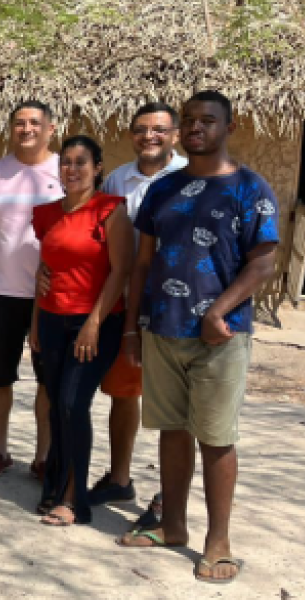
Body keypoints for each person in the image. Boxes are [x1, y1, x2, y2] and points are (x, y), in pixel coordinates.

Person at [118, 91, 279, 585]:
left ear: (229, 127)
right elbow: (143, 263)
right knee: (171, 430)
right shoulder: (163, 190)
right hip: (163, 328)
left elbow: (265, 261)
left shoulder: (250, 189)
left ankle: (219, 540)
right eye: (188, 121)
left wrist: (219, 311)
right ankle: (172, 525)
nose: (194, 128)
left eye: (206, 121)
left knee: (215, 437)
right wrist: (131, 326)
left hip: (221, 337)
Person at [88, 102, 187, 510]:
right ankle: (120, 478)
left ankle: (169, 495)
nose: (150, 137)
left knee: (174, 404)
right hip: (128, 305)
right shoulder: (116, 180)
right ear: (130, 135)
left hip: (175, 308)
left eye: (159, 130)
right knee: (123, 394)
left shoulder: (189, 178)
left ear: (175, 135)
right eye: (141, 130)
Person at [30, 136, 133, 526]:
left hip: (96, 323)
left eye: (80, 162)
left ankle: (75, 499)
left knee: (74, 404)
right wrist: (36, 323)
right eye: (66, 162)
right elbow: (44, 271)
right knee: (57, 406)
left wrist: (93, 322)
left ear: (98, 168)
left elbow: (120, 271)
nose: (71, 170)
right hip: (53, 321)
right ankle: (55, 487)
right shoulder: (46, 214)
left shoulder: (110, 210)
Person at [0, 100, 62, 479]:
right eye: (18, 123)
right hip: (0, 292)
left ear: (51, 128)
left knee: (48, 379)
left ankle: (43, 457)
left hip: (53, 296)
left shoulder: (67, 169)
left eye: (34, 123)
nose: (26, 129)